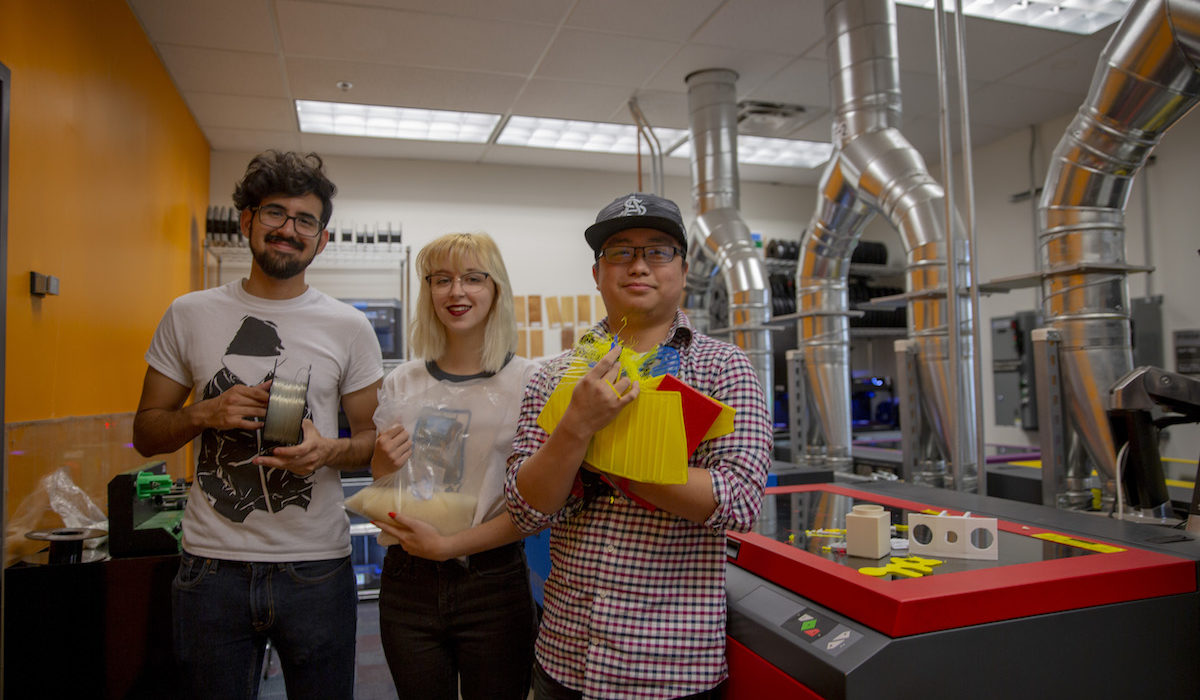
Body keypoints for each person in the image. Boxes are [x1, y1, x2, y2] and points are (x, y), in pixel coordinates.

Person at [132, 150, 383, 700]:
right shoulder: (188, 313)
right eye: (274, 213)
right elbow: (145, 433)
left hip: (317, 567)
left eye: (305, 221)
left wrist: (325, 451)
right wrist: (205, 413)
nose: (288, 230)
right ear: (247, 220)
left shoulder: (349, 326)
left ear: (321, 238)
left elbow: (373, 445)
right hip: (210, 568)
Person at [505, 193, 773, 699]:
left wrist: (599, 457)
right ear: (597, 272)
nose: (639, 265)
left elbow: (737, 502)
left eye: (658, 251)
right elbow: (524, 510)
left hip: (672, 667)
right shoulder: (554, 375)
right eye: (620, 252)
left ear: (684, 268)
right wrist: (574, 427)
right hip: (564, 657)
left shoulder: (725, 368)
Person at [370, 232, 540, 700]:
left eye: (472, 278)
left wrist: (450, 546)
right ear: (427, 293)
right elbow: (388, 487)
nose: (456, 292)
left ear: (496, 289)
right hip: (408, 583)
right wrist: (380, 466)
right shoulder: (403, 381)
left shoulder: (530, 381)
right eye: (441, 280)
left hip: (493, 582)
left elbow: (535, 504)